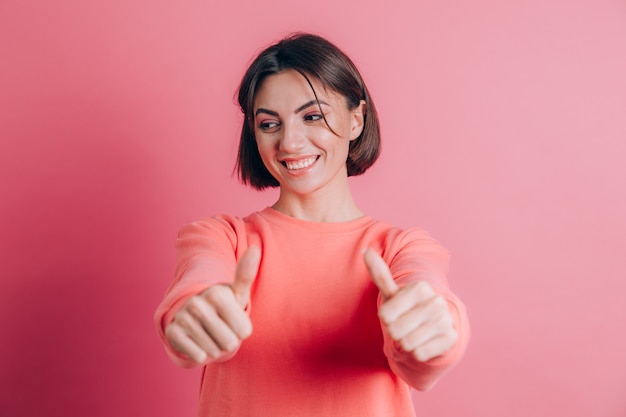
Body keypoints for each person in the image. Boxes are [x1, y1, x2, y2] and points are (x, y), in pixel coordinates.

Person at [155, 32, 470, 416]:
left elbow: (427, 344)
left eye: (312, 116)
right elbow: (193, 294)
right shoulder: (220, 238)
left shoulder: (403, 249)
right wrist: (196, 319)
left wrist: (432, 327)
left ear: (356, 119)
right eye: (269, 124)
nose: (290, 142)